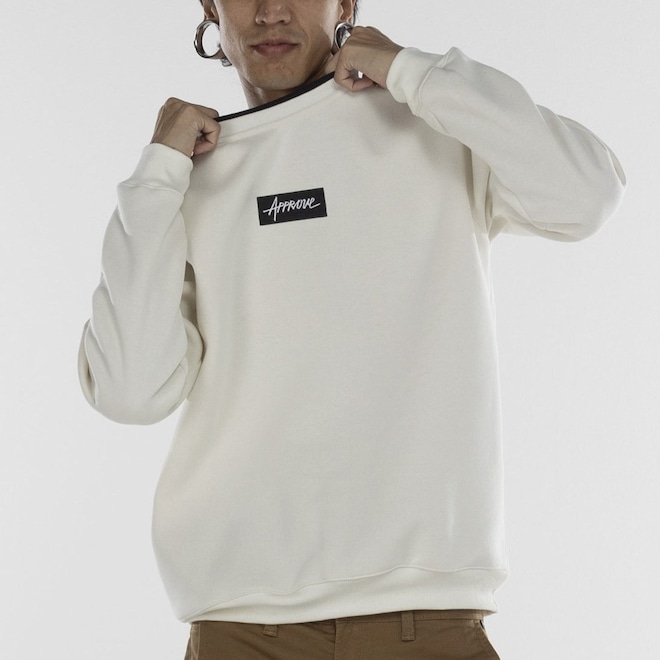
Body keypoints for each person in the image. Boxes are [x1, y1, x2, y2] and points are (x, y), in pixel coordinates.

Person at [78, 1, 625, 658]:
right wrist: (156, 176)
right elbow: (131, 391)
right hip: (242, 626)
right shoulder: (185, 176)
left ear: (345, 3)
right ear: (209, 9)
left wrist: (414, 72)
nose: (271, 10)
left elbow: (584, 195)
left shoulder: (434, 120)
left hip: (427, 622)